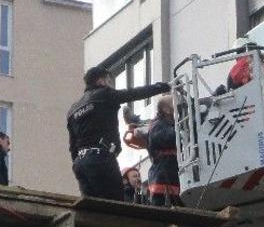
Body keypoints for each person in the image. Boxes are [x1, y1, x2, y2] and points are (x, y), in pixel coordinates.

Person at [67, 65, 170, 200]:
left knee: (91, 206)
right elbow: (134, 93)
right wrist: (162, 87)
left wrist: (77, 164)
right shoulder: (104, 94)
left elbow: (73, 146)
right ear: (101, 81)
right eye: (108, 81)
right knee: (116, 203)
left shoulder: (73, 110)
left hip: (80, 164)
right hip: (101, 158)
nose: (110, 85)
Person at [146, 95, 182, 207]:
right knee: (162, 206)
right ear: (166, 110)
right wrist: (180, 130)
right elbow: (166, 138)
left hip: (169, 173)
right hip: (162, 176)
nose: (178, 104)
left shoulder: (168, 124)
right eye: (173, 102)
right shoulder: (157, 125)